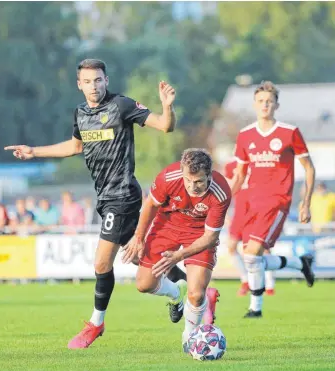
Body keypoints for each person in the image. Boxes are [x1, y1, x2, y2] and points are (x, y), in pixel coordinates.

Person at [4, 58, 185, 348]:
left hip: (123, 195)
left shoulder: (122, 106)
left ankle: (96, 324)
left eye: (98, 80)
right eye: (87, 81)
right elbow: (75, 147)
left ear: (106, 80)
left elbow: (165, 126)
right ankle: (186, 291)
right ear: (79, 84)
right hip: (104, 198)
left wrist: (167, 106)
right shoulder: (80, 114)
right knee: (144, 258)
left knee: (102, 262)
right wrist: (33, 151)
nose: (93, 86)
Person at [122, 149, 231, 351]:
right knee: (144, 284)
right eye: (188, 180)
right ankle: (175, 293)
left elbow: (210, 237)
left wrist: (179, 256)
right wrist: (139, 237)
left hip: (199, 233)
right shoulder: (168, 177)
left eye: (198, 181)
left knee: (197, 294)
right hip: (168, 224)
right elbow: (151, 205)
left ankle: (190, 337)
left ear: (209, 174)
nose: (192, 187)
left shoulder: (221, 192)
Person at [230, 81, 316, 318]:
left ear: (276, 105)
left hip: (277, 200)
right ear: (254, 105)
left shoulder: (289, 132)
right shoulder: (245, 135)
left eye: (269, 101)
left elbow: (309, 168)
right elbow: (239, 174)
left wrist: (305, 202)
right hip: (251, 203)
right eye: (260, 101)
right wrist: (225, 199)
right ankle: (300, 264)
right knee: (251, 257)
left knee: (252, 253)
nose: (265, 105)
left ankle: (255, 309)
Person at [224, 160, 275, 296]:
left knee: (260, 250)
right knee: (231, 247)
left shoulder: (259, 163)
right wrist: (225, 212)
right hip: (239, 214)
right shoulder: (230, 166)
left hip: (255, 213)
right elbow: (228, 189)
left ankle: (269, 285)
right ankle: (245, 280)